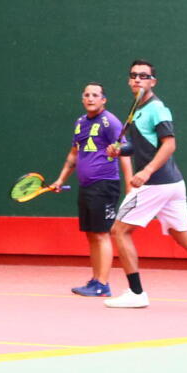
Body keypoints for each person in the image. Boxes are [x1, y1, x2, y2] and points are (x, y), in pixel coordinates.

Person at [103, 59, 187, 309]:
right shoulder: (138, 109)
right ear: (129, 81)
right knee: (185, 238)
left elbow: (169, 144)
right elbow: (137, 146)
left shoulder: (157, 108)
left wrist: (147, 172)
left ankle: (136, 292)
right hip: (173, 185)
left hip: (156, 184)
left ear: (153, 81)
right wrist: (119, 150)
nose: (138, 79)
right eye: (134, 75)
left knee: (119, 230)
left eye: (143, 76)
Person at [49, 82, 123, 297]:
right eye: (87, 95)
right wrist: (60, 179)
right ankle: (95, 281)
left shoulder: (111, 122)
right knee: (91, 235)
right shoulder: (80, 123)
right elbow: (74, 154)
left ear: (103, 99)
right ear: (83, 99)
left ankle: (103, 284)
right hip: (87, 186)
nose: (91, 98)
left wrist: (117, 150)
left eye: (95, 95)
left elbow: (125, 148)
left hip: (105, 184)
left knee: (101, 234)